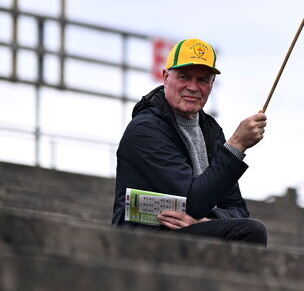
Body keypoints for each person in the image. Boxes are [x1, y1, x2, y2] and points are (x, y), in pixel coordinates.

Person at [111, 38, 268, 245]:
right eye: (184, 77)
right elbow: (192, 202)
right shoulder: (145, 130)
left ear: (212, 84)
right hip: (146, 239)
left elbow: (238, 208)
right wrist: (237, 144)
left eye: (203, 80)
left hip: (188, 235)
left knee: (249, 229)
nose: (193, 87)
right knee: (250, 232)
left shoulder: (211, 131)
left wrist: (207, 220)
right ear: (165, 77)